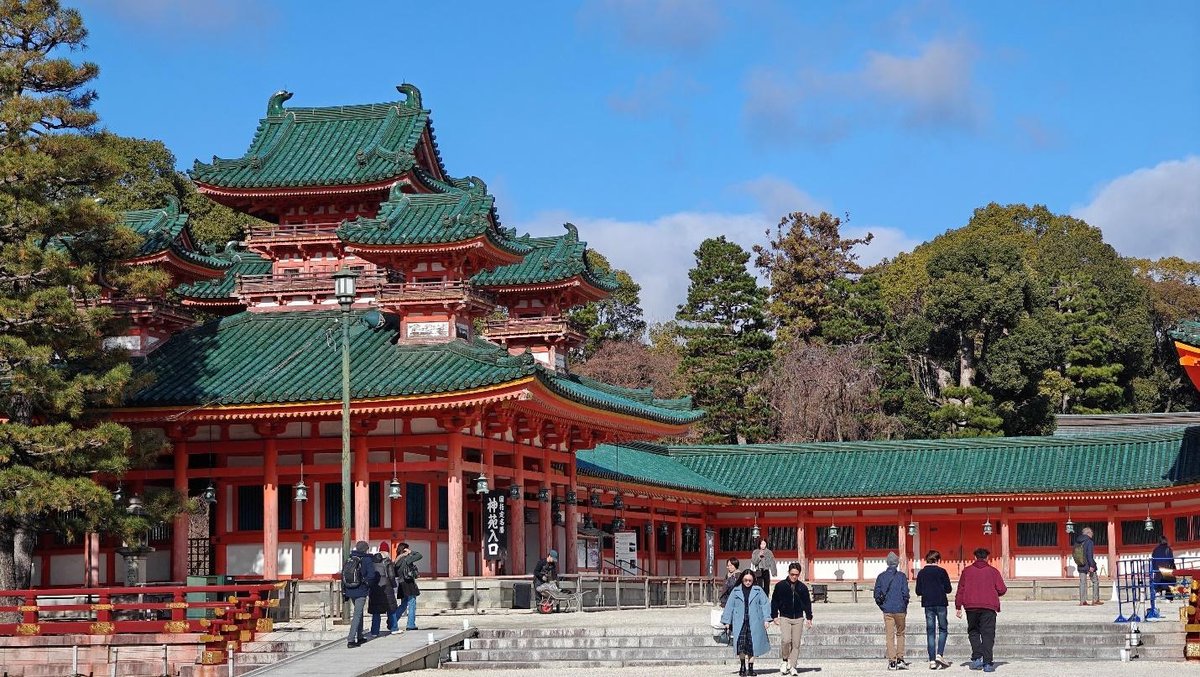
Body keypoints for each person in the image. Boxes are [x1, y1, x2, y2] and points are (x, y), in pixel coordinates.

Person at [955, 548, 1007, 673]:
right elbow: (1002, 589)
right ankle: (988, 663)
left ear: (975, 557)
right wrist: (991, 593)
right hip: (988, 607)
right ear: (987, 558)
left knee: (974, 632)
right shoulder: (993, 572)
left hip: (971, 607)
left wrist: (958, 606)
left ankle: (977, 658)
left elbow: (960, 589)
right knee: (988, 634)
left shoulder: (966, 571)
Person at [721, 569, 772, 677]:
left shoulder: (758, 590)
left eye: (750, 580)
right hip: (740, 621)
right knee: (741, 645)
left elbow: (765, 604)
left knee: (753, 645)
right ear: (742, 579)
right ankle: (742, 665)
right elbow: (729, 606)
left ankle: (751, 667)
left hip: (755, 621)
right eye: (745, 580)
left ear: (753, 580)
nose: (748, 582)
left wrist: (766, 619)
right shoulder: (735, 591)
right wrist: (726, 621)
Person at [771, 562, 813, 677]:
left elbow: (807, 603)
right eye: (792, 574)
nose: (794, 577)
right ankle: (785, 660)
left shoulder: (802, 587)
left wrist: (809, 617)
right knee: (785, 640)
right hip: (785, 616)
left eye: (796, 574)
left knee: (796, 643)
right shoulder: (780, 586)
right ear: (788, 573)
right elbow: (774, 601)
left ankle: (793, 665)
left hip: (798, 617)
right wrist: (774, 615)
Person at [915, 550, 953, 670]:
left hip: (928, 604)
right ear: (938, 560)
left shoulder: (921, 573)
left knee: (930, 631)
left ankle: (932, 660)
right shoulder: (942, 571)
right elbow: (948, 589)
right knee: (943, 629)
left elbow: (918, 591)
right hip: (941, 602)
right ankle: (939, 654)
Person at [873, 551, 911, 671]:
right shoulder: (902, 576)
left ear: (887, 563)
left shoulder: (881, 576)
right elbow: (905, 593)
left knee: (889, 636)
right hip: (900, 609)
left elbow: (876, 594)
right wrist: (904, 605)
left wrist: (882, 606)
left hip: (887, 610)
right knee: (900, 634)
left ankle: (892, 661)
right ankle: (900, 658)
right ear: (897, 563)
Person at [343, 540, 379, 648]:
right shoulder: (367, 559)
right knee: (357, 614)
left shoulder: (349, 558)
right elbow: (371, 575)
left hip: (350, 589)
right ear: (365, 549)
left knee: (359, 612)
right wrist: (368, 585)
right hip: (361, 590)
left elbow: (343, 575)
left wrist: (344, 591)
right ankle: (351, 640)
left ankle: (359, 636)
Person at [368, 541, 399, 636]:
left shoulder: (372, 560)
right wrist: (394, 585)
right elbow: (391, 576)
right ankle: (394, 628)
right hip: (387, 587)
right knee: (391, 609)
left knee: (376, 611)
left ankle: (374, 631)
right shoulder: (387, 561)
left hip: (375, 587)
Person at [394, 542, 423, 631]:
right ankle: (411, 624)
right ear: (405, 549)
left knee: (403, 605)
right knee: (412, 603)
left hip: (401, 584)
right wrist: (410, 551)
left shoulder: (396, 561)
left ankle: (392, 621)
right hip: (409, 583)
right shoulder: (407, 559)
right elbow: (419, 555)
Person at [1074, 527, 1102, 606]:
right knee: (1095, 581)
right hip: (1088, 565)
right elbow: (1089, 555)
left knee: (1082, 583)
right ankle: (1095, 600)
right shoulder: (1089, 541)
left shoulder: (1077, 541)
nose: (1092, 534)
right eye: (1091, 532)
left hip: (1080, 564)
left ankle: (1082, 601)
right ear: (1088, 533)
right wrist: (1092, 565)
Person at [1150, 536, 1176, 601]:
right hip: (1166, 569)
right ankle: (1168, 598)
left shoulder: (1155, 550)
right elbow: (1171, 560)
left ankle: (1158, 595)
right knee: (1169, 583)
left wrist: (1155, 569)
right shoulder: (1168, 549)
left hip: (1158, 570)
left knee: (1158, 583)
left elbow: (1153, 560)